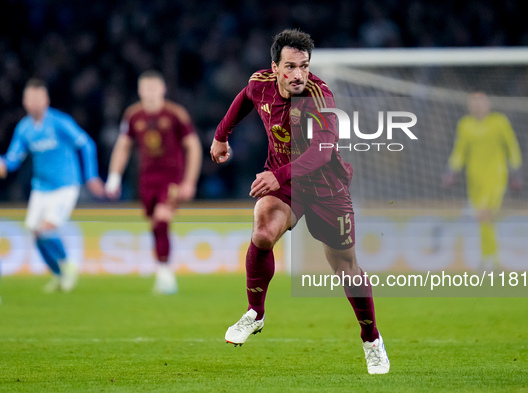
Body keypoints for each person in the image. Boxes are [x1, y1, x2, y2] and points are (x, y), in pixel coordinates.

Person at [210, 29, 389, 374]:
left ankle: (371, 339)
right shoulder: (259, 83)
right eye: (290, 66)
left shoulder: (319, 97)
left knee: (346, 269)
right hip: (285, 184)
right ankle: (255, 314)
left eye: (304, 66)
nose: (298, 75)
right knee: (262, 234)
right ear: (274, 67)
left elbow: (322, 152)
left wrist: (278, 175)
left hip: (326, 188)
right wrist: (221, 135)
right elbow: (245, 98)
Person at [0, 78, 104, 292]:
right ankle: (58, 275)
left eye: (38, 98)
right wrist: (3, 165)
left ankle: (69, 265)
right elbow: (12, 159)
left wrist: (91, 176)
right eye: (30, 98)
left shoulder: (59, 122)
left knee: (46, 229)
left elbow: (86, 144)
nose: (34, 102)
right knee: (35, 233)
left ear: (46, 100)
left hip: (66, 185)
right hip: (41, 187)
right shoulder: (25, 128)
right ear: (24, 101)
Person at [105, 70, 202, 295]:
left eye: (153, 88)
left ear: (162, 89)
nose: (149, 93)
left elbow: (194, 146)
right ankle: (163, 270)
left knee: (161, 221)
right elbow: (123, 146)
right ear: (139, 91)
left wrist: (189, 181)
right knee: (155, 226)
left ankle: (166, 277)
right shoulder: (133, 115)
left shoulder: (176, 114)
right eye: (145, 89)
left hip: (172, 178)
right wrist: (114, 177)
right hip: (147, 179)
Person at [443, 91, 523, 270]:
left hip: (496, 177)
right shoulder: (465, 124)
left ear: (488, 104)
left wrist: (516, 171)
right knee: (483, 219)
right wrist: (451, 170)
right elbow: (460, 150)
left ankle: (489, 260)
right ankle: (490, 259)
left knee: (484, 214)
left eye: (481, 103)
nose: (477, 106)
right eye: (474, 103)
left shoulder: (499, 122)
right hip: (474, 180)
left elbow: (512, 146)